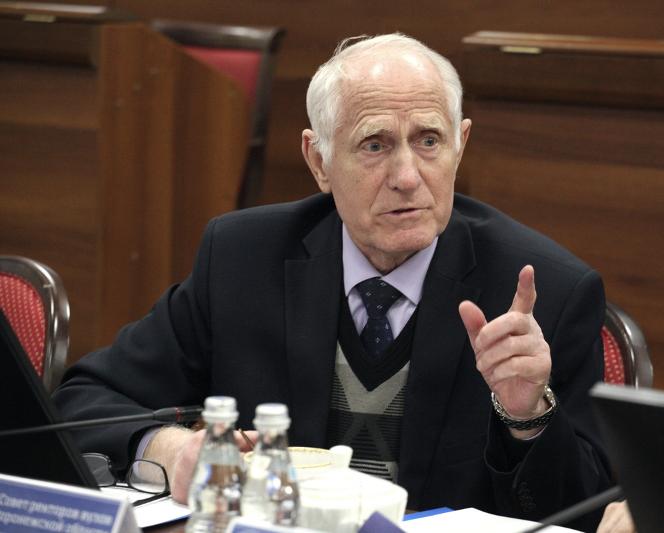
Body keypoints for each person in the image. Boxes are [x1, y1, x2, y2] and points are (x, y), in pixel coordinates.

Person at [53, 33, 612, 530]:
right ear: (318, 160)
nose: (407, 177)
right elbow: (81, 402)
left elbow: (592, 512)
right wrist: (171, 449)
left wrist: (528, 417)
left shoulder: (546, 292)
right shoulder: (243, 260)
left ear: (460, 144)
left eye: (429, 141)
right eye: (375, 145)